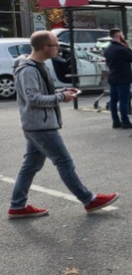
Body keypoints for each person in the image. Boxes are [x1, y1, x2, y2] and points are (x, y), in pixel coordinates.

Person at [8, 30, 119, 219]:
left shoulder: (37, 65)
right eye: (55, 45)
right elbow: (33, 98)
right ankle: (88, 200)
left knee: (30, 166)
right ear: (44, 47)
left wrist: (62, 90)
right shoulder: (28, 69)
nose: (58, 49)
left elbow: (40, 92)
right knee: (64, 162)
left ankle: (17, 206)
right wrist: (61, 97)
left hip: (37, 124)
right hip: (40, 125)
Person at [104, 28, 132, 129]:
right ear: (119, 36)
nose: (123, 37)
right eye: (122, 35)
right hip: (123, 78)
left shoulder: (108, 49)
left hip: (112, 77)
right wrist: (128, 48)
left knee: (113, 100)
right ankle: (125, 121)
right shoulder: (121, 49)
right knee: (123, 100)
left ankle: (115, 121)